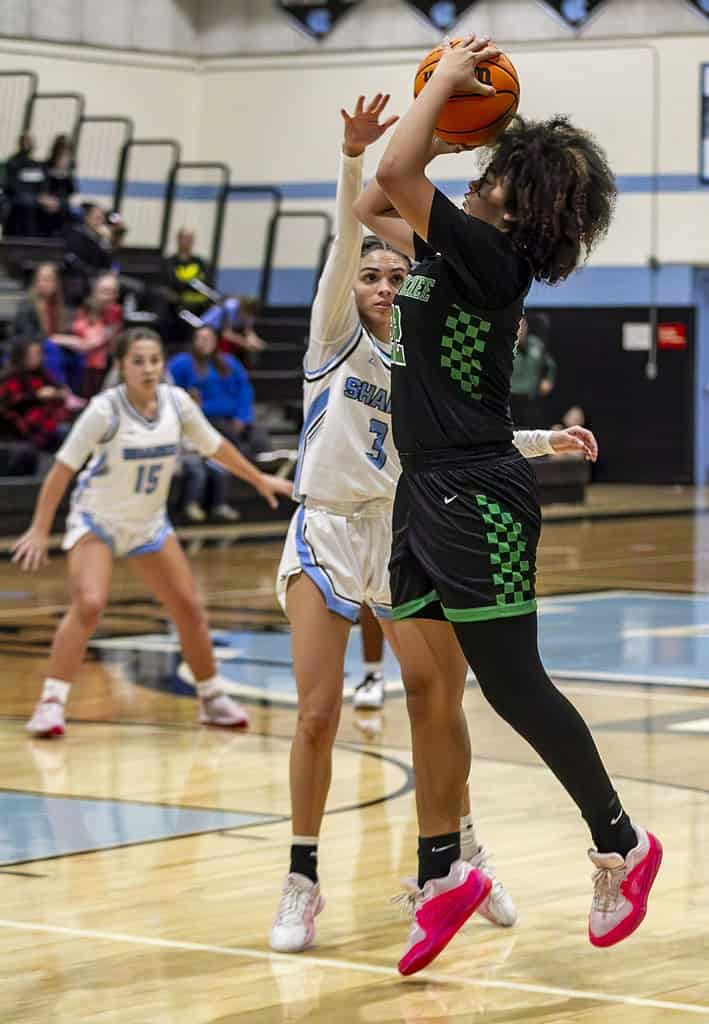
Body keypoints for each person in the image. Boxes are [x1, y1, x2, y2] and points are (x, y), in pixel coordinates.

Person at [355, 36, 661, 975]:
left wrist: (443, 92)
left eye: (493, 167)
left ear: (519, 201)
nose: (481, 171)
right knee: (427, 690)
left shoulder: (489, 260)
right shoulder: (452, 244)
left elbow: (393, 170)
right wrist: (436, 136)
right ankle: (446, 875)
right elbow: (377, 196)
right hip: (421, 489)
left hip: (475, 490)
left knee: (510, 684)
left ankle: (622, 843)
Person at [268, 93, 590, 956]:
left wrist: (541, 441)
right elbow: (359, 224)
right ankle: (302, 879)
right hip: (329, 531)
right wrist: (356, 155)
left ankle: (458, 855)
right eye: (368, 276)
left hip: (408, 522)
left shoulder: (420, 329)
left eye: (387, 276)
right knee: (316, 713)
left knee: (435, 700)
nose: (378, 285)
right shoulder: (334, 336)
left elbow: (453, 431)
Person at [13, 326, 293, 739]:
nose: (148, 369)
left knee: (190, 609)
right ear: (121, 366)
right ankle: (51, 702)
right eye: (138, 361)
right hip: (97, 521)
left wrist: (259, 480)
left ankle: (212, 697)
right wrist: (39, 529)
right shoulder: (104, 410)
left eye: (155, 360)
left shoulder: (176, 404)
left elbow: (216, 447)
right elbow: (62, 470)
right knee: (90, 605)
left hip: (148, 525)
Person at [168, 324, 271, 464]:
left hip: (233, 417)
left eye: (208, 338)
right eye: (200, 338)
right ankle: (245, 469)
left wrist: (242, 417)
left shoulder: (230, 362)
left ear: (216, 341)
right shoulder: (182, 363)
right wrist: (188, 397)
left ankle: (267, 470)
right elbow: (169, 387)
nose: (203, 342)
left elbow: (245, 390)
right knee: (231, 437)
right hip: (205, 418)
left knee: (259, 437)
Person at [13, 263, 85, 394]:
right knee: (52, 349)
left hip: (51, 347)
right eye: (41, 279)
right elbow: (27, 336)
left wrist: (72, 341)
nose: (44, 283)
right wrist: (55, 339)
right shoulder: (27, 306)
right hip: (28, 349)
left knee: (79, 354)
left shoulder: (57, 306)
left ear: (56, 283)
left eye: (48, 279)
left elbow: (62, 332)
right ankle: (63, 391)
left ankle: (75, 393)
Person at [0, 337, 70, 453]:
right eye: (32, 354)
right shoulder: (10, 379)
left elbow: (60, 390)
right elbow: (9, 404)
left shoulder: (42, 374)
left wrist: (59, 394)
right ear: (21, 356)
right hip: (23, 432)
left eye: (38, 354)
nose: (37, 358)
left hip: (48, 425)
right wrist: (36, 396)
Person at [72, 273, 124, 396]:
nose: (109, 297)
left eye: (113, 292)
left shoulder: (116, 311)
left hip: (108, 362)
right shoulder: (85, 310)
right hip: (83, 363)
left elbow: (114, 341)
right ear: (95, 292)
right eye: (105, 292)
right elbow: (87, 342)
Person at [510, 312, 557, 428]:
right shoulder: (505, 347)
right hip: (510, 400)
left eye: (523, 325)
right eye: (517, 326)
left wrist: (548, 379)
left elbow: (550, 364)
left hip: (531, 400)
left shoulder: (536, 344)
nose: (520, 329)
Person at [63, 204, 113, 305]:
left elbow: (108, 264)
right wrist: (95, 273)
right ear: (87, 219)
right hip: (81, 278)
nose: (100, 222)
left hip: (99, 277)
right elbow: (72, 261)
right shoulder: (76, 235)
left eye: (102, 219)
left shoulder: (101, 239)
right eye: (97, 218)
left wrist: (106, 242)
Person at [202, 295, 266, 365]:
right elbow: (226, 334)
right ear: (242, 309)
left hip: (223, 331)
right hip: (209, 327)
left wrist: (258, 342)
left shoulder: (250, 312)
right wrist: (246, 344)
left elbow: (248, 331)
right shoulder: (231, 307)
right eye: (247, 314)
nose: (248, 317)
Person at [40, 134, 76, 237]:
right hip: (47, 200)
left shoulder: (68, 171)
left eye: (67, 155)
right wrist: (47, 199)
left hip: (61, 202)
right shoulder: (46, 167)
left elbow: (71, 191)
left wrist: (64, 173)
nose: (63, 158)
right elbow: (43, 187)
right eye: (61, 154)